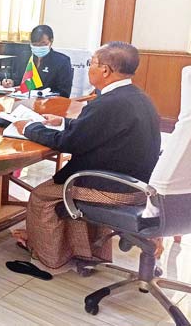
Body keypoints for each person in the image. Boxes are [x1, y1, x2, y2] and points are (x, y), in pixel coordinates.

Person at [10, 42, 161, 270]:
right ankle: (81, 251)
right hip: (136, 184)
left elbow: (68, 143)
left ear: (105, 70)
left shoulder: (108, 103)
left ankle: (47, 256)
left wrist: (28, 128)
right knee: (64, 190)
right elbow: (98, 129)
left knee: (41, 195)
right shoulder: (137, 97)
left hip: (113, 187)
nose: (89, 67)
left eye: (92, 63)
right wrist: (63, 122)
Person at [2, 25, 74, 98]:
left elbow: (64, 93)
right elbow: (20, 80)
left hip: (48, 102)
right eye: (35, 45)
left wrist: (44, 94)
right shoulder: (25, 57)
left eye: (43, 43)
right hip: (23, 100)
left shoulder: (62, 61)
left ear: (51, 41)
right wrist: (12, 82)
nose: (39, 47)